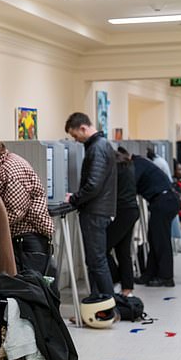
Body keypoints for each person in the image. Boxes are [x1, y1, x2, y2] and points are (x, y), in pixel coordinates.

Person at [0, 133, 55, 278]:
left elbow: (16, 211)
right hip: (27, 239)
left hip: (27, 239)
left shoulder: (9, 169)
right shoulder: (4, 165)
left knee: (29, 286)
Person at [64, 112, 117, 298]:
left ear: (83, 128)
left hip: (95, 212)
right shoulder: (102, 145)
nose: (76, 140)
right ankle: (98, 301)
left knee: (97, 261)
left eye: (75, 135)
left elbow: (93, 185)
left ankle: (109, 304)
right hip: (101, 210)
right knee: (96, 261)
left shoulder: (97, 148)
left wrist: (74, 198)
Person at [129, 151, 181, 287]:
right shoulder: (142, 163)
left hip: (163, 201)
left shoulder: (137, 164)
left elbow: (131, 184)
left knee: (161, 241)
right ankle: (149, 274)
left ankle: (166, 277)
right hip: (164, 200)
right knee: (154, 239)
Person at [106, 150, 139, 297]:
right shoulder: (127, 165)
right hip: (131, 210)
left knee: (102, 249)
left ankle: (116, 278)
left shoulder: (115, 169)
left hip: (123, 212)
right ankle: (127, 287)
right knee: (123, 251)